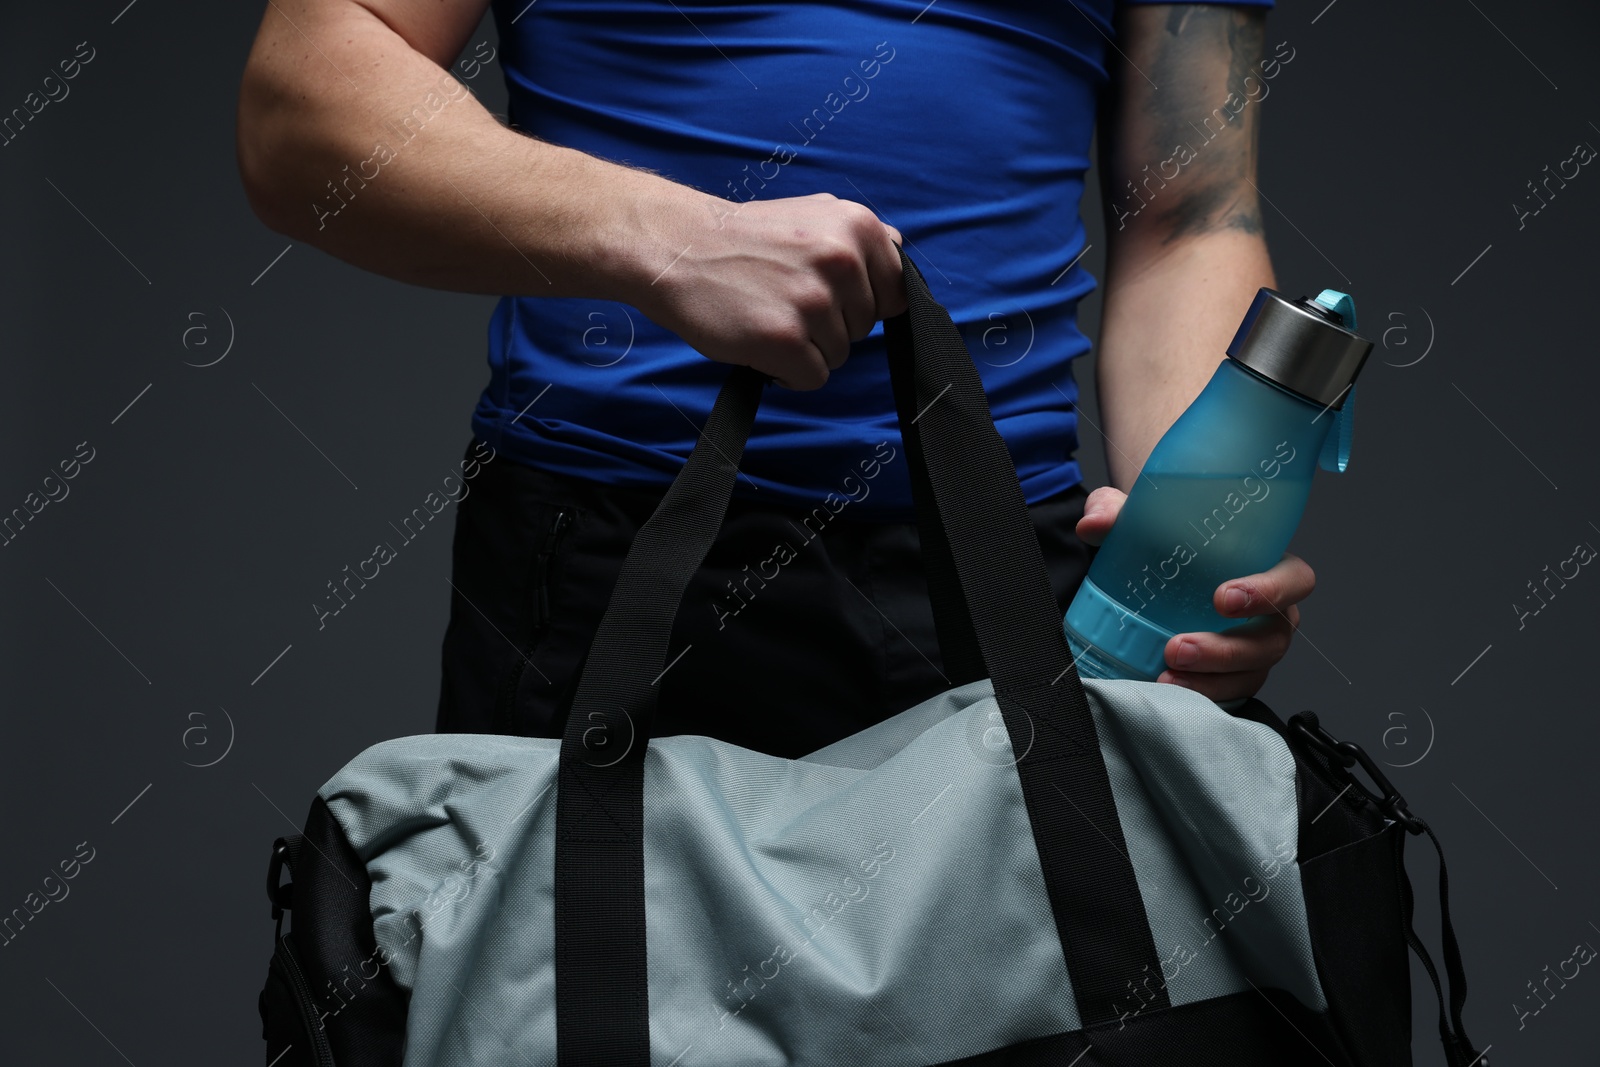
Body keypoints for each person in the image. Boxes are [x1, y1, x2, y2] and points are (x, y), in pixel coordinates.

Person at [236, 0, 1312, 757]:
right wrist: (668, 238)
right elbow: (302, 107)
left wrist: (1180, 558)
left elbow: (1190, 214)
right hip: (611, 552)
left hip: (1010, 572)